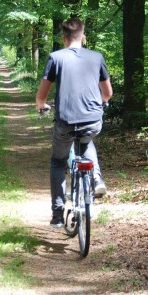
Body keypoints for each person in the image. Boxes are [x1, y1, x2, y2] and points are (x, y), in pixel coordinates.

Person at [35, 17, 113, 228]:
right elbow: (107, 93)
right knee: (86, 141)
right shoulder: (97, 57)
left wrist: (41, 105)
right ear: (83, 36)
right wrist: (101, 103)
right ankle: (96, 179)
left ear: (64, 38)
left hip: (66, 120)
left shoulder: (55, 57)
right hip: (92, 119)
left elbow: (42, 95)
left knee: (58, 162)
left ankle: (58, 214)